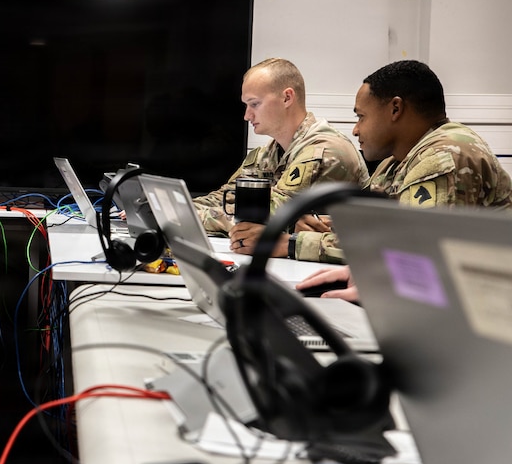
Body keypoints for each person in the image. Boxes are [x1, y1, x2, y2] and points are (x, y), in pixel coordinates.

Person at [287, 61, 512, 300]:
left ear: (395, 109)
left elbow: (415, 252)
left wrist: (293, 244)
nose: (355, 130)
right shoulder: (395, 162)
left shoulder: (444, 156)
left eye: (361, 117)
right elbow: (374, 234)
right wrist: (327, 227)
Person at [194, 58, 368, 244]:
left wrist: (188, 218)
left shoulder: (325, 151)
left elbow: (267, 216)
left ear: (287, 98)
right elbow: (225, 197)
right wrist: (180, 210)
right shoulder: (266, 153)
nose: (247, 116)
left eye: (254, 104)